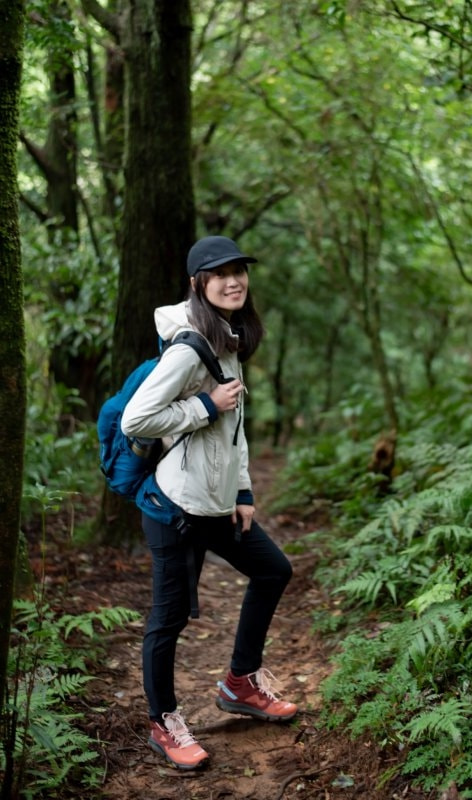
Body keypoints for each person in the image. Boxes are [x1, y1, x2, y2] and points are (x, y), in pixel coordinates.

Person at [121, 236, 297, 770]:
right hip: (175, 507)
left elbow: (235, 431)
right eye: (220, 273)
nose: (234, 280)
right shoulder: (187, 347)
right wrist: (202, 404)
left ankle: (240, 682)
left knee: (273, 571)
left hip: (217, 505)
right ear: (198, 283)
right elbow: (137, 419)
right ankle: (164, 723)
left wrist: (243, 491)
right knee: (168, 619)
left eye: (240, 270)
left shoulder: (230, 341)